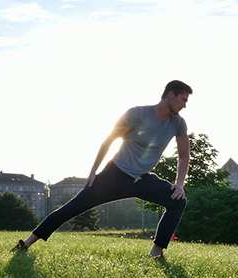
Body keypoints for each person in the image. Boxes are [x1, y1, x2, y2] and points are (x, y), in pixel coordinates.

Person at [12, 80, 192, 259]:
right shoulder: (137, 114)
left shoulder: (178, 124)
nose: (185, 105)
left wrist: (179, 185)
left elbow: (184, 156)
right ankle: (26, 243)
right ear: (170, 94)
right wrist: (93, 172)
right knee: (73, 207)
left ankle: (156, 254)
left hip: (143, 179)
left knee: (177, 201)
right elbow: (109, 140)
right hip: (114, 175)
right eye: (183, 100)